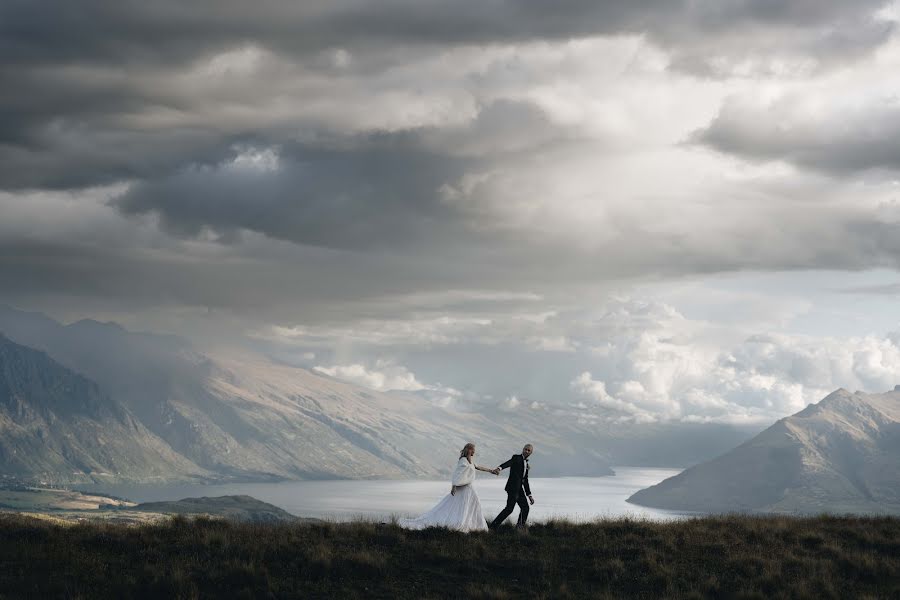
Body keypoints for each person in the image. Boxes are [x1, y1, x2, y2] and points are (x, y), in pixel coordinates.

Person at [399, 442, 499, 532]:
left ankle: (475, 525)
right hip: (463, 488)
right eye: (473, 450)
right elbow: (457, 474)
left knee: (473, 505)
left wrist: (491, 470)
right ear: (469, 450)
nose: (474, 452)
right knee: (461, 506)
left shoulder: (470, 461)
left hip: (469, 487)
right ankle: (463, 523)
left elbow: (478, 467)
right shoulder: (463, 461)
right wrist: (454, 486)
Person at [489, 443, 534, 530]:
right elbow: (508, 463)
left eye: (528, 450)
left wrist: (529, 495)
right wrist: (499, 468)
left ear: (530, 453)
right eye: (525, 449)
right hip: (512, 488)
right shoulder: (516, 458)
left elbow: (525, 481)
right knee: (509, 509)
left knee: (525, 508)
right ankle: (493, 526)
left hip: (520, 490)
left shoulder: (527, 465)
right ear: (523, 449)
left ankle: (519, 527)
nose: (526, 451)